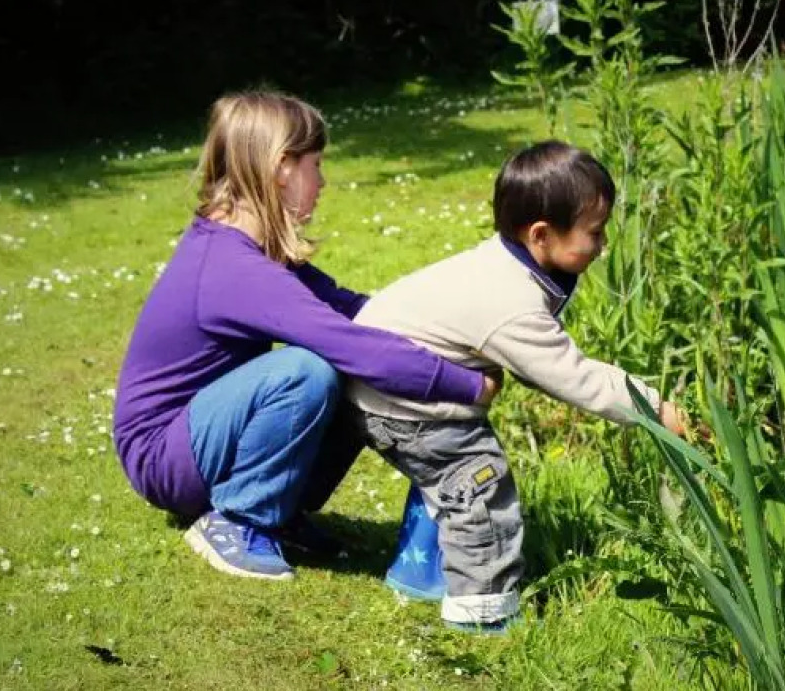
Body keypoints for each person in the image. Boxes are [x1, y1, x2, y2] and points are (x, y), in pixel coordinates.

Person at [112, 90, 499, 581]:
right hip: (162, 454)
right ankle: (240, 519)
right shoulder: (235, 268)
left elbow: (358, 313)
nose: (323, 180)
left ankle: (278, 510)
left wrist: (449, 338)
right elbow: (352, 344)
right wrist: (464, 384)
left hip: (196, 438)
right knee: (307, 370)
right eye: (316, 164)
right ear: (281, 167)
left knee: (335, 365)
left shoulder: (255, 250)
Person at [348, 140, 686, 631]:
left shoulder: (508, 264)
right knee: (477, 481)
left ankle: (421, 571)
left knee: (448, 479)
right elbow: (577, 378)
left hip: (383, 382)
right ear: (542, 234)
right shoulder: (510, 301)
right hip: (400, 400)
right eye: (595, 232)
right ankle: (482, 610)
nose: (604, 243)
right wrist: (655, 409)